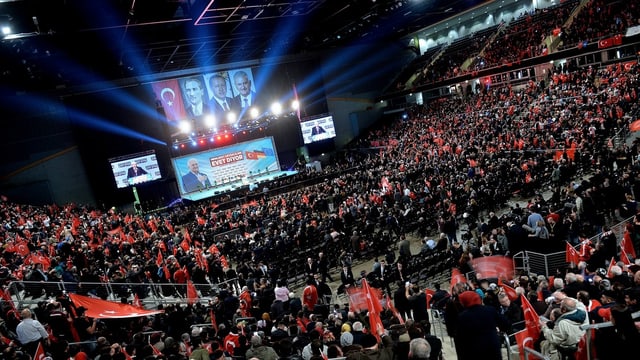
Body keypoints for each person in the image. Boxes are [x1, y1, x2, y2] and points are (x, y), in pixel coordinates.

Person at [454, 290, 509, 360]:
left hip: (474, 352)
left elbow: (459, 340)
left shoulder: (462, 317)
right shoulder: (490, 310)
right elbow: (506, 324)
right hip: (492, 348)